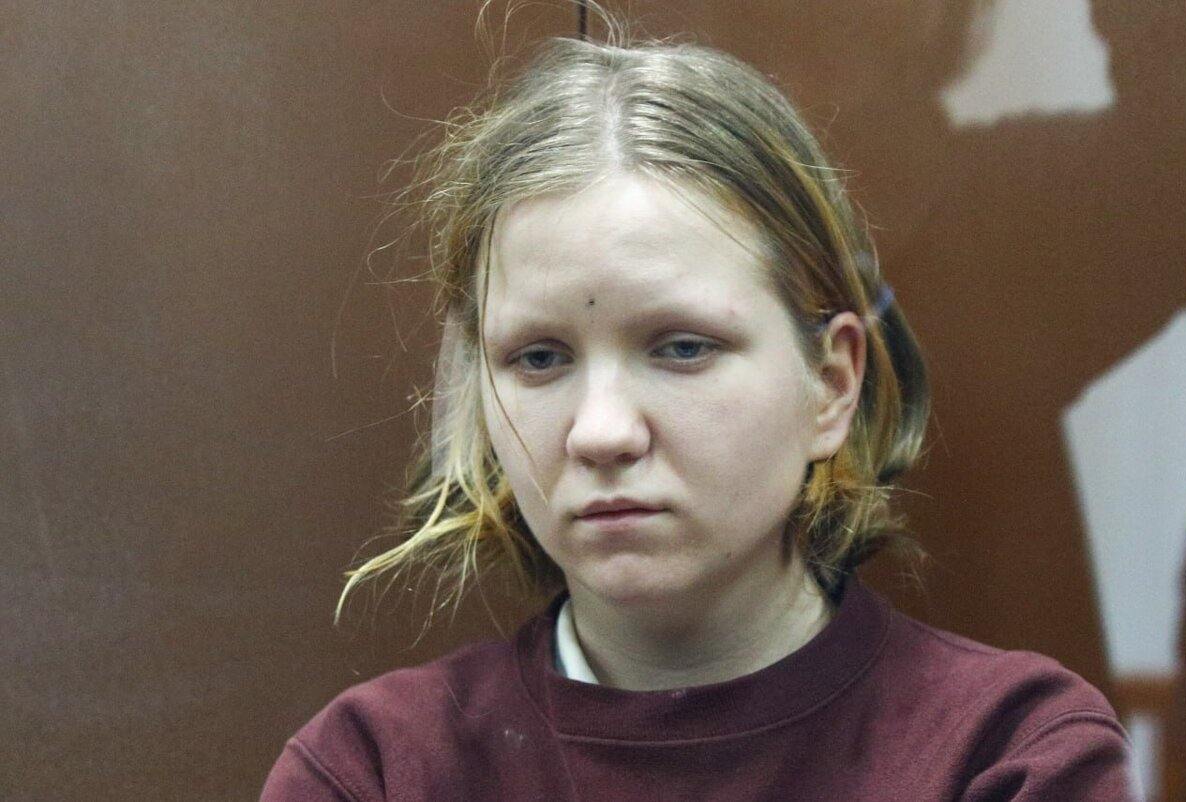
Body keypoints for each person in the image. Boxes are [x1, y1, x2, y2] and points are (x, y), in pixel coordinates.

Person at [261, 5, 1136, 799]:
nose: (602, 432)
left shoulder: (1008, 752)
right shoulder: (373, 770)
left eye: (682, 347)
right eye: (539, 358)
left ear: (831, 384)